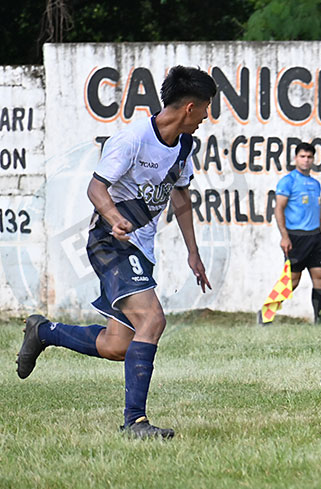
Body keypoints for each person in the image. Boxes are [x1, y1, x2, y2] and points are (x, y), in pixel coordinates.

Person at [15, 66, 216, 438]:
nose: (208, 116)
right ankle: (134, 422)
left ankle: (44, 332)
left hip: (140, 247)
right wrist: (113, 217)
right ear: (190, 107)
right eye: (206, 107)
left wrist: (193, 252)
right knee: (152, 321)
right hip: (111, 241)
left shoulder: (185, 145)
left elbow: (181, 196)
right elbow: (96, 188)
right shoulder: (132, 138)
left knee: (116, 345)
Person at [274, 142, 321, 324]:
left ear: (313, 159)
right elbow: (279, 209)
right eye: (302, 156)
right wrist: (284, 236)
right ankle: (266, 313)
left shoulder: (315, 183)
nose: (306, 160)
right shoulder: (288, 181)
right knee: (293, 280)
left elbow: (316, 209)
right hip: (295, 237)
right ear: (296, 158)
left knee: (320, 276)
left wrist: (319, 231)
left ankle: (319, 321)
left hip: (315, 237)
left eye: (309, 157)